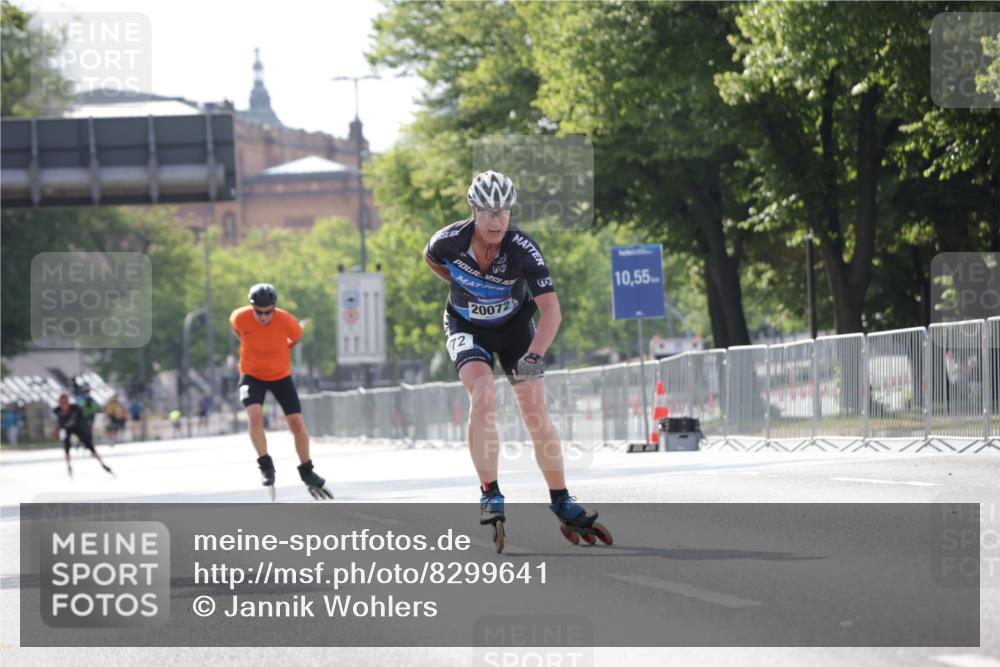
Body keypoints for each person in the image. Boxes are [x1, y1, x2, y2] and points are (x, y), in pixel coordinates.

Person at [423, 170, 611, 550]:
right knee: (484, 395)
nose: (497, 221)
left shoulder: (523, 248)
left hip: (516, 329)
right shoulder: (446, 242)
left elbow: (552, 312)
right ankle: (490, 491)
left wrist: (534, 356)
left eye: (504, 212)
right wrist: (463, 287)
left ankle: (561, 499)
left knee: (535, 409)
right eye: (489, 212)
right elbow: (433, 262)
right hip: (465, 325)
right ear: (473, 210)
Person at [230, 283, 332, 500]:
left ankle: (307, 471)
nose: (264, 316)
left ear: (274, 307)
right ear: (252, 307)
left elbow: (297, 338)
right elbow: (237, 330)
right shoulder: (240, 318)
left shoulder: (286, 321)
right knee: (255, 416)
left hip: (280, 375)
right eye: (259, 312)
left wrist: (280, 350)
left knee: (296, 423)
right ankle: (265, 464)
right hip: (251, 374)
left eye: (268, 312)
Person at [53, 394, 113, 478]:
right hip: (67, 430)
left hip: (78, 428)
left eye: (65, 402)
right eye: (62, 403)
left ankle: (102, 463)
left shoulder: (75, 408)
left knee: (89, 445)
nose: (64, 405)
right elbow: (58, 423)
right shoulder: (57, 410)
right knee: (66, 447)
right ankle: (69, 466)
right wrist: (57, 429)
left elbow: (81, 419)